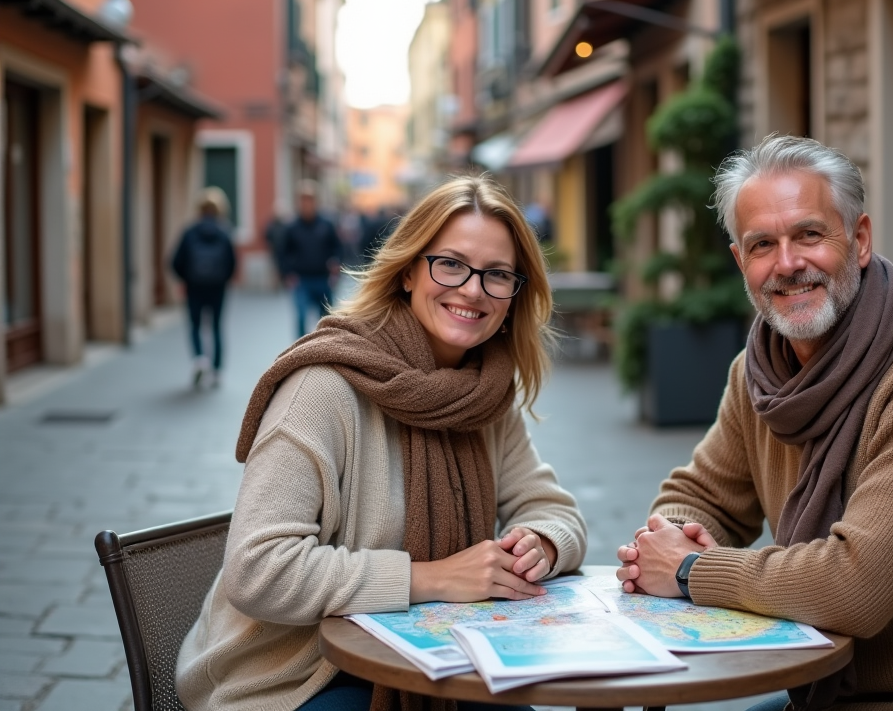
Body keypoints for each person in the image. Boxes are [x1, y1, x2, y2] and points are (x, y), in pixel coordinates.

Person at [615, 135, 893, 711]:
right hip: (831, 688)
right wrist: (672, 535)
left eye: (809, 234)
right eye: (762, 245)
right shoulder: (758, 372)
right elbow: (700, 495)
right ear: (741, 262)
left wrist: (690, 570)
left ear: (858, 240)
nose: (787, 263)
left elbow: (855, 587)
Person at [175, 175, 587, 711]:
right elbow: (259, 569)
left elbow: (554, 509)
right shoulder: (322, 387)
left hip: (437, 660)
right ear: (410, 271)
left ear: (514, 296)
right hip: (295, 676)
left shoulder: (484, 396)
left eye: (498, 275)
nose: (472, 289)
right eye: (452, 264)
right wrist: (431, 579)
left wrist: (540, 542)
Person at [171, 187, 237, 389]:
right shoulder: (224, 232)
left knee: (195, 326)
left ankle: (200, 359)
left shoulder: (190, 232)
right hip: (217, 287)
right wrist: (223, 279)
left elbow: (175, 261)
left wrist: (186, 278)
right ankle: (216, 371)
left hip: (194, 286)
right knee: (216, 327)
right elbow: (232, 263)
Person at [282, 180, 343, 337]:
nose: (306, 204)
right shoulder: (292, 227)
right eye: (303, 200)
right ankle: (300, 354)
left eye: (309, 199)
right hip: (302, 279)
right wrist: (288, 273)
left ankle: (324, 351)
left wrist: (336, 264)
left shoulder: (326, 225)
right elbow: (284, 252)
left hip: (322, 278)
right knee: (301, 318)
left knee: (325, 320)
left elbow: (337, 248)